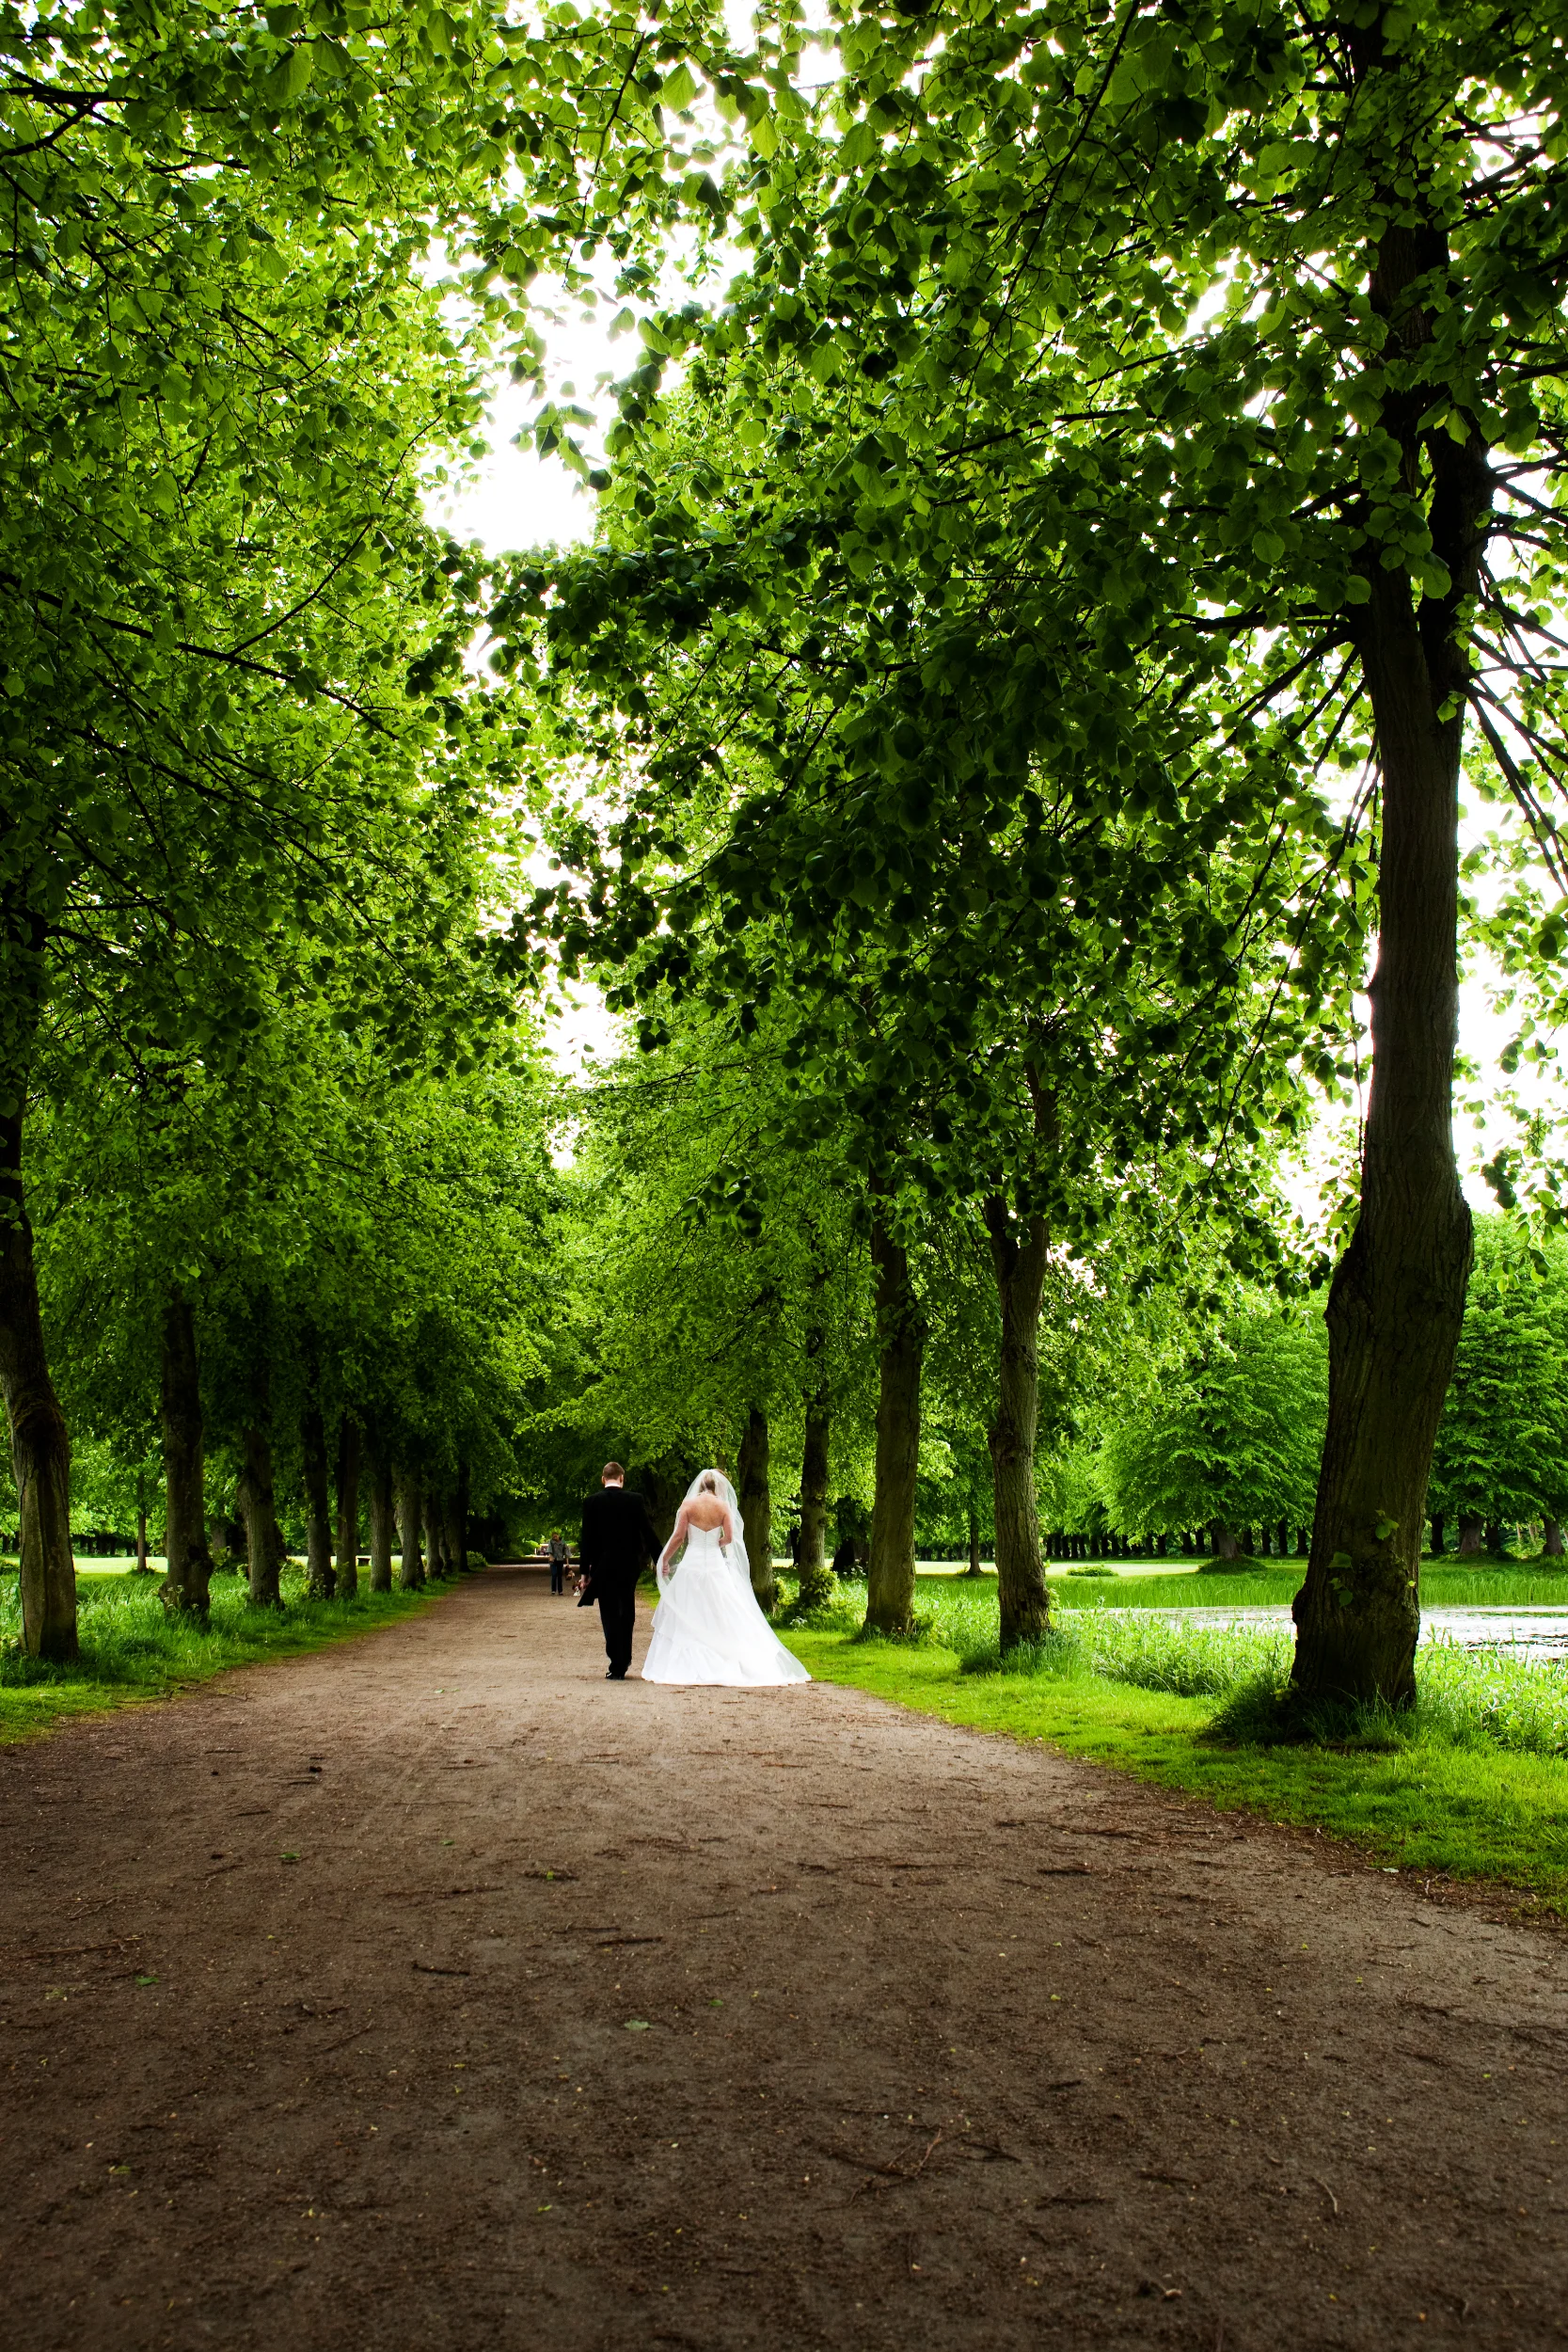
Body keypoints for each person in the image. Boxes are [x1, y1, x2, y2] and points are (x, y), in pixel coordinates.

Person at [641, 1470, 811, 1688]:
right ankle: (724, 1655)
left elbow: (679, 1537)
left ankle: (687, 1663)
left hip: (691, 1564)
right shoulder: (723, 1507)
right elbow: (730, 1537)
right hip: (714, 1564)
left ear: (700, 1485)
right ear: (718, 1487)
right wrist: (715, 1544)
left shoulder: (688, 1506)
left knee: (689, 1607)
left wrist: (664, 1558)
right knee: (721, 1609)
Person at [578, 1462, 658, 1680]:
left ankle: (617, 1662)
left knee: (609, 1613)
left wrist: (584, 1572)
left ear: (603, 1479)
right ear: (622, 1478)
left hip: (603, 1566)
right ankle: (625, 1658)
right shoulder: (635, 1500)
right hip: (629, 1565)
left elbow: (587, 1539)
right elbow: (647, 1532)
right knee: (627, 1612)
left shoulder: (591, 1502)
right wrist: (660, 1559)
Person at [546, 1528, 569, 1595]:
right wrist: (551, 1556)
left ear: (558, 1535)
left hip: (560, 1560)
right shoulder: (551, 1542)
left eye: (556, 1536)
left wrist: (567, 1563)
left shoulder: (563, 1542)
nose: (555, 1537)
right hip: (553, 1560)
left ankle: (560, 1590)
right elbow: (549, 1550)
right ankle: (553, 1590)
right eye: (553, 1537)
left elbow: (566, 1553)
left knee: (559, 1575)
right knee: (554, 1574)